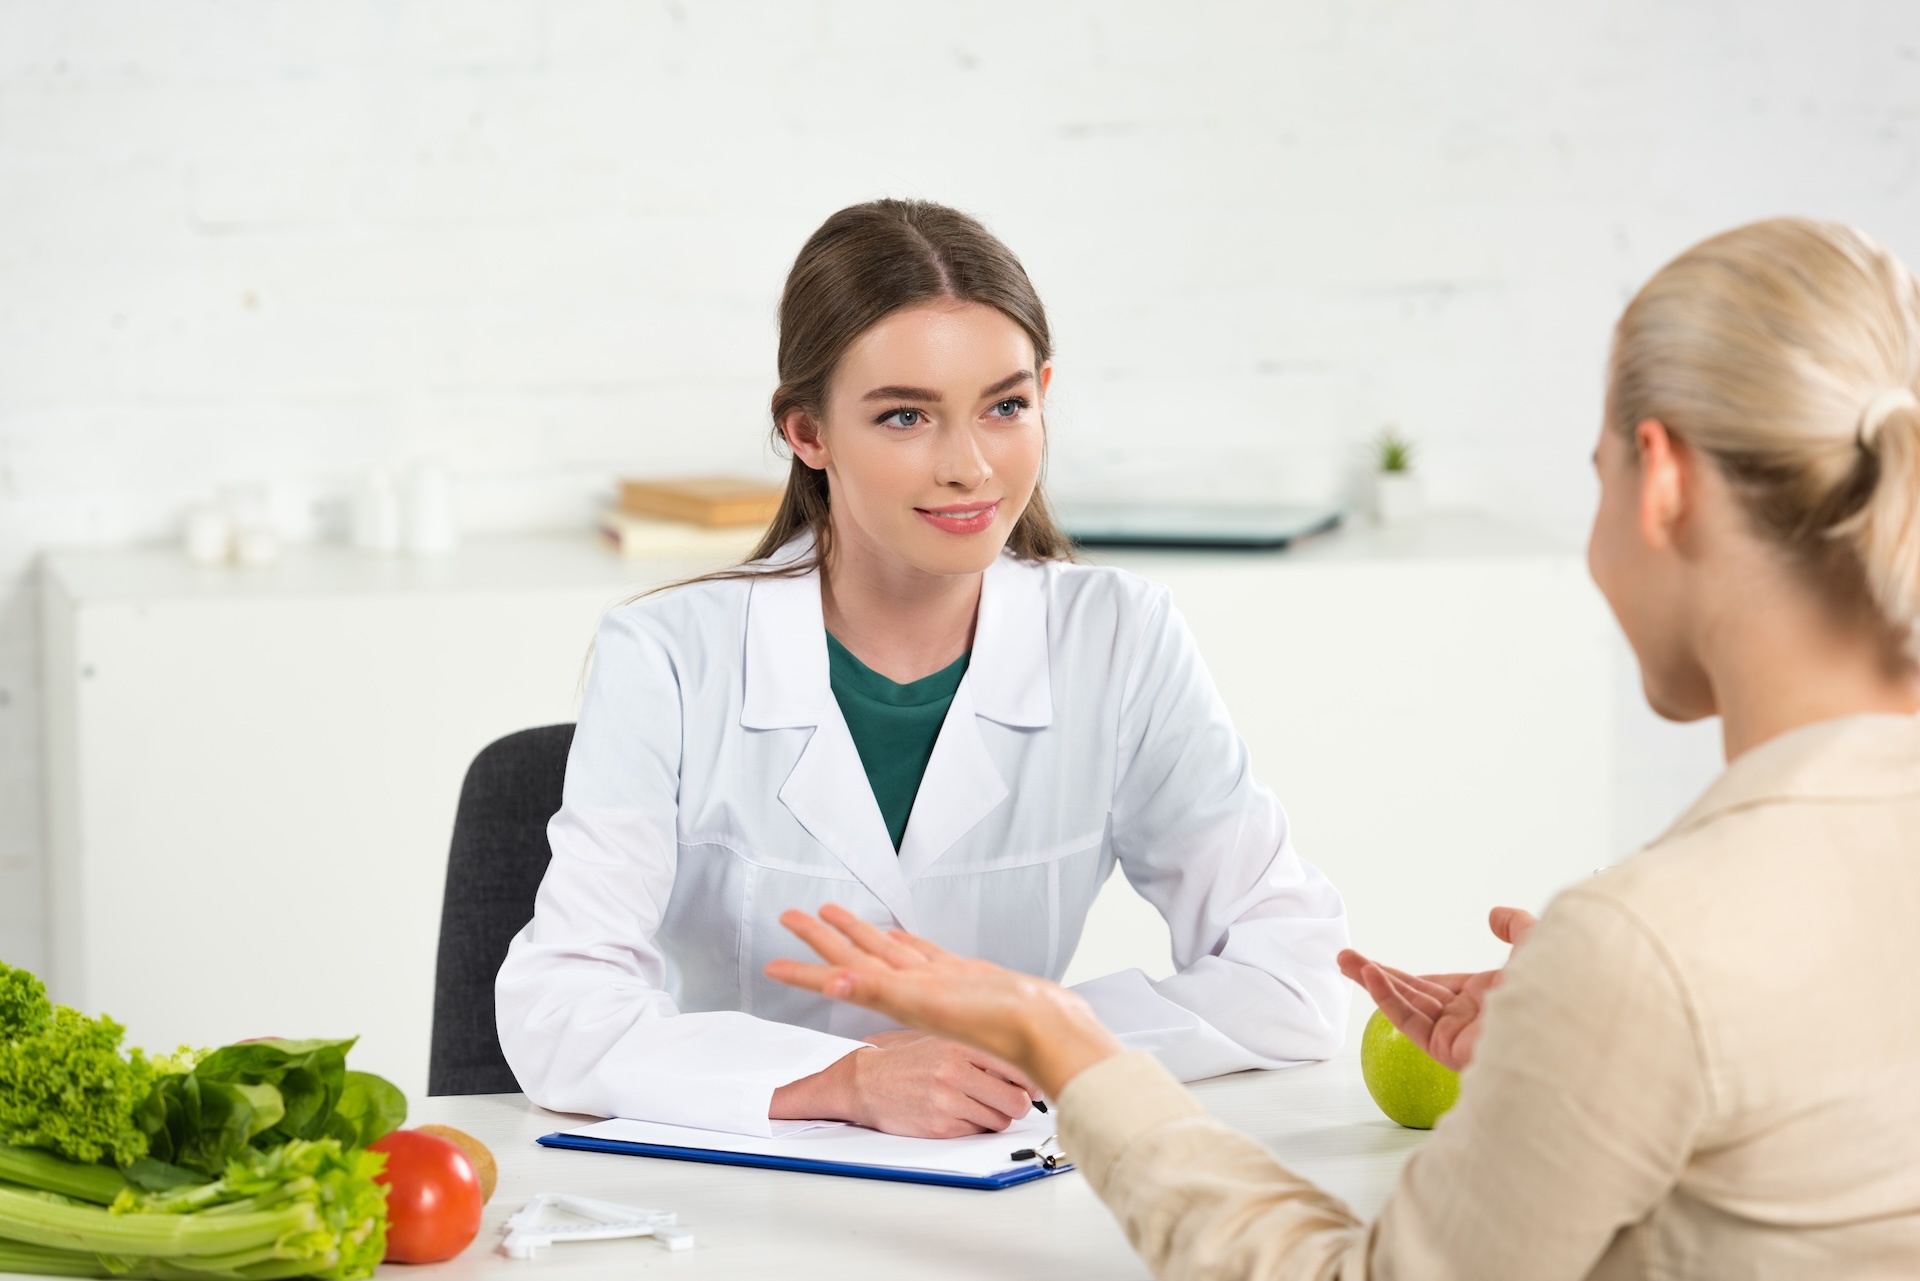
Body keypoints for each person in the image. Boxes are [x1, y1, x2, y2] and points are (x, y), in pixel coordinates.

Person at [767, 216, 1920, 1277]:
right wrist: (1592, 1045)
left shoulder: (1645, 950)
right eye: (907, 415)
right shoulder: (1684, 952)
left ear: (1659, 482)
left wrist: (1062, 1039)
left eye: (1598, 477)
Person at [494, 199, 1351, 1140]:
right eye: (905, 416)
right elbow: (559, 1009)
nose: (971, 466)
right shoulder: (667, 654)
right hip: (740, 1179)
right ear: (807, 434)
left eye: (1007, 406)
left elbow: (1290, 969)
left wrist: (1037, 1039)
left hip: (1005, 1181)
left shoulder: (1120, 637)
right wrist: (846, 1079)